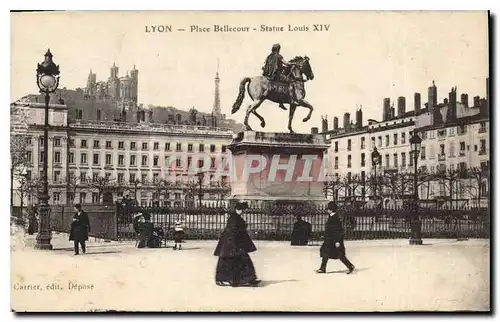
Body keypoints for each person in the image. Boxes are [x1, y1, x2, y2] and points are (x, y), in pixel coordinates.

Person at [213, 202, 260, 287]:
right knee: (233, 261)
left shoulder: (235, 217)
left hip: (234, 244)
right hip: (232, 244)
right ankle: (239, 279)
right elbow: (234, 231)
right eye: (240, 210)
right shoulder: (234, 218)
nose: (242, 211)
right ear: (236, 210)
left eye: (242, 210)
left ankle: (248, 279)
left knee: (241, 261)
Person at [317, 201, 355, 274]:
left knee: (340, 255)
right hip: (329, 239)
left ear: (331, 209)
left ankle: (350, 266)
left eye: (328, 208)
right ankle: (322, 268)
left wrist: (337, 241)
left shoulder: (335, 217)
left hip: (333, 240)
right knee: (326, 253)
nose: (327, 210)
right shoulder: (333, 216)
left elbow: (337, 230)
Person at [262, 43, 297, 110]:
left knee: (281, 85)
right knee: (291, 82)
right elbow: (286, 63)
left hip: (268, 75)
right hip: (276, 74)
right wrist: (294, 63)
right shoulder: (278, 56)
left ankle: (281, 102)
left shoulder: (269, 56)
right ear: (278, 49)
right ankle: (292, 100)